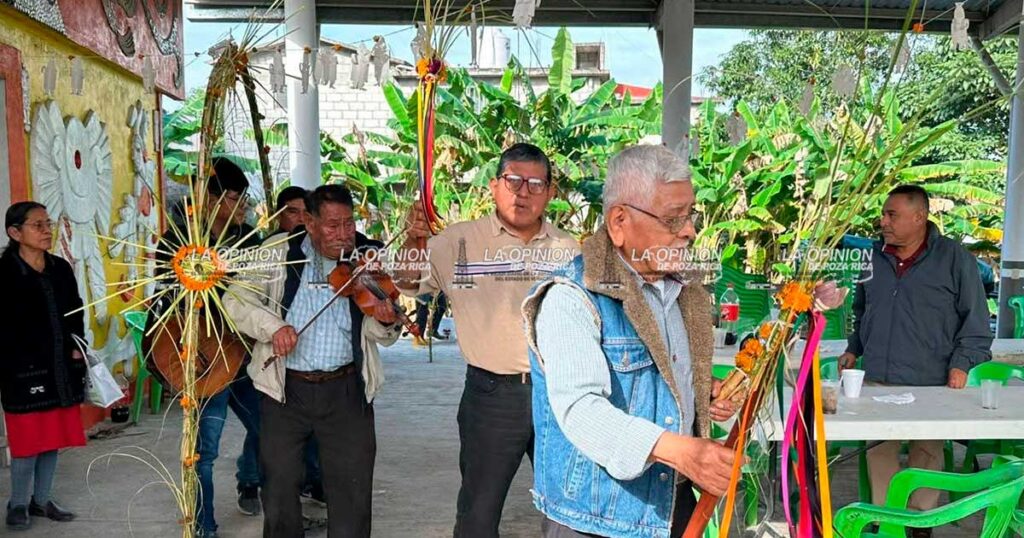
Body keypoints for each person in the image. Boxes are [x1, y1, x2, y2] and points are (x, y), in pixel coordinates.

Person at [520, 145, 741, 537]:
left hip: (671, 501)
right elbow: (582, 410)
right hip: (597, 514)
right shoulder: (572, 297)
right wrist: (683, 451)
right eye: (673, 219)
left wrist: (701, 394)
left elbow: (660, 375)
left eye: (690, 215)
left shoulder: (679, 289)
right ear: (619, 222)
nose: (689, 230)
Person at [395, 143, 579, 537]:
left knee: (570, 509)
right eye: (513, 181)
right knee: (479, 511)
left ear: (549, 192)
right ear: (494, 186)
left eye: (534, 183)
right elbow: (406, 283)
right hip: (493, 395)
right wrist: (414, 240)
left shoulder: (569, 250)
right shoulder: (456, 241)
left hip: (561, 393)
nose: (522, 192)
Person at [223, 184, 401, 538]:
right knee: (279, 488)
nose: (344, 234)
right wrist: (274, 328)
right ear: (308, 221)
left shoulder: (366, 257)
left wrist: (385, 319)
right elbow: (235, 301)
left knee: (352, 490)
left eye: (349, 224)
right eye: (333, 225)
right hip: (285, 391)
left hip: (347, 389)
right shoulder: (277, 252)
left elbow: (386, 333)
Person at [838, 184, 992, 538]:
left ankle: (920, 522)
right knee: (879, 449)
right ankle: (886, 518)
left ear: (919, 217)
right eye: (883, 214)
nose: (883, 222)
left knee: (927, 450)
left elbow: (976, 321)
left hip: (932, 378)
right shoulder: (874, 257)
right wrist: (853, 348)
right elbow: (863, 312)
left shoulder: (955, 259)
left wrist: (963, 363)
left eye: (892, 214)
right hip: (878, 375)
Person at [150, 158, 265, 538]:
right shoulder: (179, 241)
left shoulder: (248, 239)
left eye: (243, 198)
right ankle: (203, 526)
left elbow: (261, 295)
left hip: (246, 355)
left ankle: (249, 480)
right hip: (201, 359)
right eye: (234, 197)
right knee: (202, 451)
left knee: (270, 429)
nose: (241, 206)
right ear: (211, 199)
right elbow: (166, 302)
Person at [1, 201, 86, 530]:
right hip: (19, 371)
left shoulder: (60, 268)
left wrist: (78, 347)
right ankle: (18, 503)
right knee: (26, 441)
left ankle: (41, 500)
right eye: (37, 225)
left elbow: (76, 310)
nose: (47, 230)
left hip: (61, 366)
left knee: (52, 436)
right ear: (15, 232)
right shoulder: (4, 273)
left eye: (47, 223)